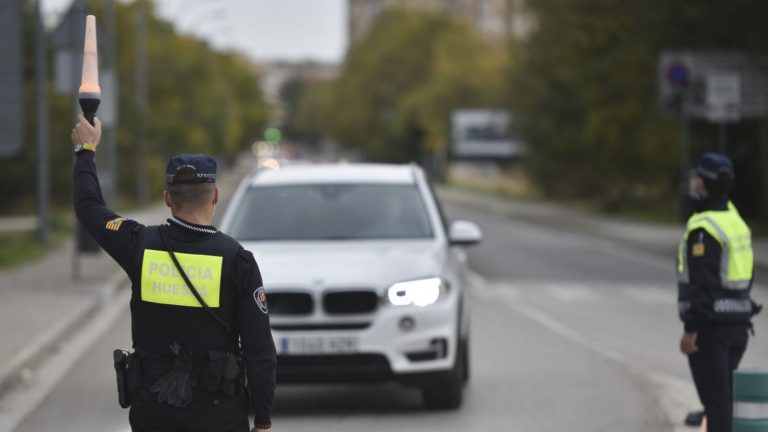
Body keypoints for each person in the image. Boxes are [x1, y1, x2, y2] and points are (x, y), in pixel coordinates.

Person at [71, 115, 276, 432]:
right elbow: (259, 350)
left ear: (168, 199)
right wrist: (262, 421)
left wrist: (86, 149)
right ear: (215, 196)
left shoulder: (138, 244)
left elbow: (88, 206)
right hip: (218, 413)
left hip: (154, 411)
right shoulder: (238, 261)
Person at [677, 152, 762, 432]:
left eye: (696, 178)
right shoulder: (736, 222)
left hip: (711, 330)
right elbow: (745, 276)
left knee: (717, 407)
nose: (693, 182)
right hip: (738, 325)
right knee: (723, 400)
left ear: (703, 183)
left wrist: (691, 330)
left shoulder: (704, 228)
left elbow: (703, 285)